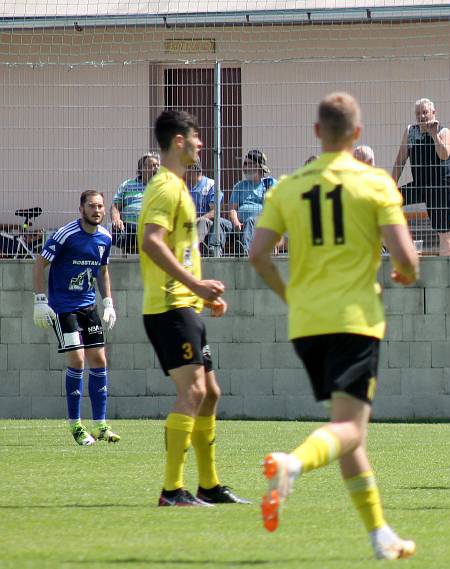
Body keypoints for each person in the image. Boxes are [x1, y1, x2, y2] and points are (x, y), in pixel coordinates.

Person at [249, 92, 419, 560]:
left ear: (317, 132)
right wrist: (406, 273)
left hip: (306, 325)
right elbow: (406, 259)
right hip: (355, 321)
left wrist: (292, 297)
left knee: (348, 434)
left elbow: (259, 255)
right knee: (348, 429)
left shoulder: (287, 186)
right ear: (358, 134)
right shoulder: (375, 184)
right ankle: (292, 463)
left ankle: (379, 534)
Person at [138, 109, 249, 507]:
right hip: (168, 307)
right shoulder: (166, 187)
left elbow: (181, 251)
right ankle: (171, 490)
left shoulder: (180, 187)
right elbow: (152, 241)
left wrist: (202, 293)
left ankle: (209, 485)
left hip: (185, 305)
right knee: (194, 391)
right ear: (179, 141)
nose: (202, 143)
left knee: (211, 393)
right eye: (197, 136)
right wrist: (195, 285)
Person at [32, 190, 119, 446]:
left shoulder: (105, 237)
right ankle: (77, 427)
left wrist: (108, 302)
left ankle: (101, 425)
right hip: (63, 307)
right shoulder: (65, 234)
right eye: (92, 206)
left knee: (99, 359)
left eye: (101, 206)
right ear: (81, 209)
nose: (97, 210)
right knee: (78, 359)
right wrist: (40, 301)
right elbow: (40, 263)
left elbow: (103, 271)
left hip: (88, 306)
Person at [392, 98, 450, 256]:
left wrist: (434, 136)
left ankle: (445, 267)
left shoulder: (443, 132)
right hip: (420, 185)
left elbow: (444, 155)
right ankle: (396, 245)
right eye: (418, 113)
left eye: (425, 112)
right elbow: (401, 159)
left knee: (443, 231)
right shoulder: (411, 131)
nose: (422, 116)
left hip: (441, 187)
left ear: (433, 113)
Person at [229, 149, 277, 253]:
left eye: (247, 164)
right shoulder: (239, 186)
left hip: (262, 225)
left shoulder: (269, 184)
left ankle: (245, 253)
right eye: (244, 164)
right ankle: (211, 251)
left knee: (250, 221)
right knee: (221, 224)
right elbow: (233, 210)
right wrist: (236, 222)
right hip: (240, 226)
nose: (244, 167)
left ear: (257, 166)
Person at [111, 152, 159, 254]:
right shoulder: (128, 184)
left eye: (157, 165)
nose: (155, 168)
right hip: (130, 228)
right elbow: (115, 206)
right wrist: (116, 218)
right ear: (141, 169)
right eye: (151, 165)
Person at [185, 160, 233, 257]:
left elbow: (214, 212)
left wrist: (197, 219)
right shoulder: (185, 187)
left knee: (203, 221)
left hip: (210, 223)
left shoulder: (211, 185)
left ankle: (194, 254)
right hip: (190, 223)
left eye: (186, 168)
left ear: (193, 168)